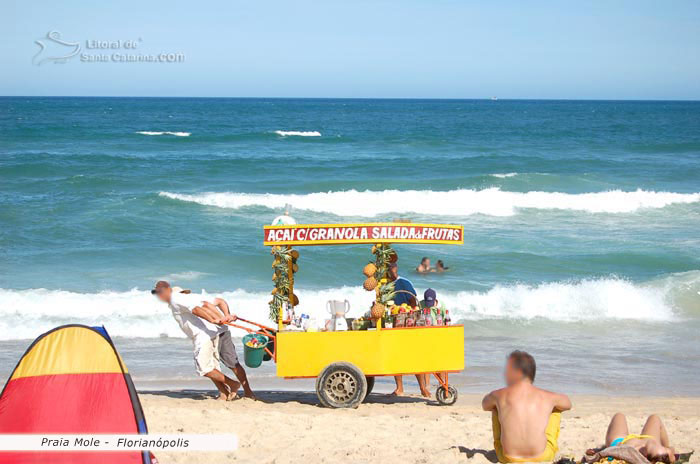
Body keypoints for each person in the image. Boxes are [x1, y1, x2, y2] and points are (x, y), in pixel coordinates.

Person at [151, 280, 255, 400]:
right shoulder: (193, 299)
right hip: (215, 332)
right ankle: (226, 392)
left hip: (210, 333)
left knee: (210, 367)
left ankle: (233, 385)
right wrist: (226, 316)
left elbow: (197, 309)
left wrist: (215, 319)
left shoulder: (178, 300)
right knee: (216, 366)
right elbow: (219, 301)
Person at [482, 351, 571, 463]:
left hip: (507, 458)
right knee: (556, 408)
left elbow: (485, 405)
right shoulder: (546, 396)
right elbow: (568, 404)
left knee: (495, 407)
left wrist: (499, 401)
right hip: (542, 456)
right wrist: (550, 403)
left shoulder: (499, 394)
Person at [386, 263, 429, 397]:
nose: (391, 270)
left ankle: (422, 387)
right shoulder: (385, 285)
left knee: (414, 356)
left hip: (408, 322)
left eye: (392, 267)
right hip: (394, 323)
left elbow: (413, 301)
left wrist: (408, 312)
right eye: (388, 268)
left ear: (396, 268)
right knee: (396, 356)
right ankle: (399, 388)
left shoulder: (404, 282)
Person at [603, 413, 676, 463]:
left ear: (646, 455)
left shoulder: (630, 451)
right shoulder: (657, 449)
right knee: (654, 417)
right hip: (648, 438)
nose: (656, 444)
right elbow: (672, 452)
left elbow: (609, 454)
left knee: (619, 416)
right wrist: (668, 448)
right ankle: (665, 446)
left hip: (622, 440)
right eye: (666, 449)